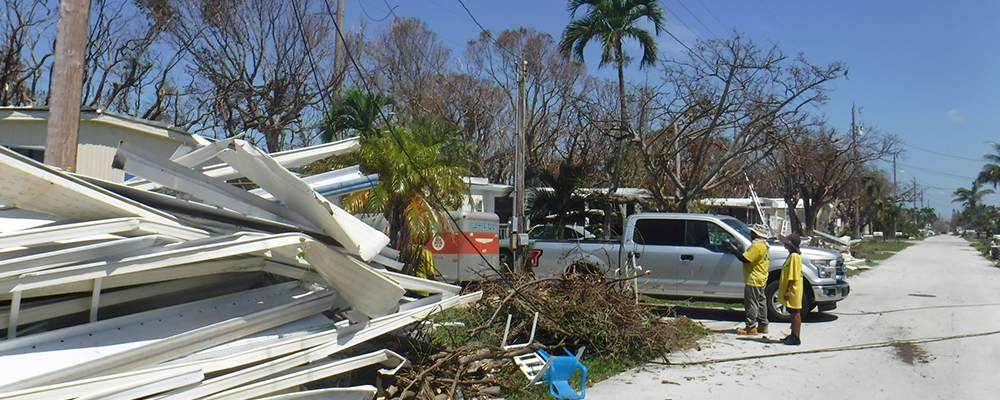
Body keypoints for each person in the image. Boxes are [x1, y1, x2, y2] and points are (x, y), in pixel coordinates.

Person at [726, 228, 770, 335]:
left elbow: (745, 259)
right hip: (762, 277)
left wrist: (734, 250)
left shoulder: (756, 246)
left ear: (756, 234)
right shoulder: (764, 246)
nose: (750, 234)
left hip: (753, 279)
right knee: (761, 302)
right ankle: (763, 325)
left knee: (751, 303)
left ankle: (751, 327)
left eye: (752, 232)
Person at [778, 233, 804, 345]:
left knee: (795, 313)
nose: (784, 245)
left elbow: (793, 275)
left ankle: (796, 337)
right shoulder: (791, 255)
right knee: (792, 313)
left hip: (794, 289)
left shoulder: (794, 257)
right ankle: (793, 334)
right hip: (792, 289)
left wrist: (788, 290)